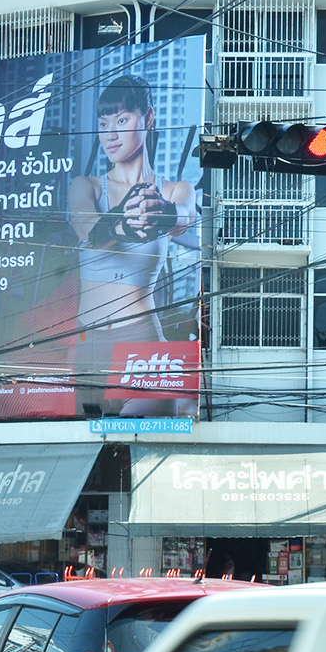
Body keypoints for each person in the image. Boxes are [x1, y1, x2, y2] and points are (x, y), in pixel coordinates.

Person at [68, 74, 198, 413]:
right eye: (103, 123)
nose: (110, 133)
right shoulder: (86, 186)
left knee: (142, 442)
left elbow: (185, 216)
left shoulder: (172, 190)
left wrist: (162, 214)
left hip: (139, 338)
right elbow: (87, 228)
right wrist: (125, 221)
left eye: (122, 120)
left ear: (149, 118)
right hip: (85, 344)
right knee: (86, 446)